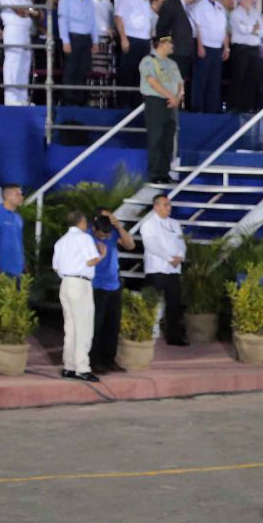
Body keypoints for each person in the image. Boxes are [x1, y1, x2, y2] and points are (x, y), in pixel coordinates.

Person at [51, 209, 102, 381]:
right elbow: (91, 260)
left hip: (65, 283)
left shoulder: (61, 242)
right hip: (80, 283)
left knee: (71, 327)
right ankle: (82, 368)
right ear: (81, 222)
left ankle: (69, 366)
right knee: (84, 326)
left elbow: (56, 267)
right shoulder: (84, 238)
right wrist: (102, 254)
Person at [136, 193, 188, 346]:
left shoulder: (175, 223)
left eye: (169, 205)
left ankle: (174, 336)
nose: (169, 208)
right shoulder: (148, 224)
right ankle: (145, 331)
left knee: (174, 303)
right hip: (157, 269)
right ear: (156, 206)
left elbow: (181, 243)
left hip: (174, 270)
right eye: (165, 205)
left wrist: (180, 257)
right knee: (151, 301)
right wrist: (169, 259)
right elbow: (151, 245)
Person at [88, 211, 132, 375]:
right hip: (96, 286)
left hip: (114, 285)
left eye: (108, 235)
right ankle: (93, 361)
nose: (106, 238)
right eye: (102, 236)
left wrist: (119, 227)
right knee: (95, 326)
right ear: (94, 228)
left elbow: (130, 245)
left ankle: (109, 359)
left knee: (113, 325)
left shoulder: (113, 233)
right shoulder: (87, 238)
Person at [139, 34, 183, 183]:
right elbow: (152, 81)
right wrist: (171, 96)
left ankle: (164, 173)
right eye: (169, 43)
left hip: (171, 104)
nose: (172, 45)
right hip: (156, 102)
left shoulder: (172, 64)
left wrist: (177, 97)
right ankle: (155, 174)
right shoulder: (148, 61)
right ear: (161, 44)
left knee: (167, 139)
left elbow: (180, 83)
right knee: (156, 138)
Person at [186, 0, 228, 113]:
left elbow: (223, 28)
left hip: (217, 47)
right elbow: (197, 26)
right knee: (200, 80)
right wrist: (200, 46)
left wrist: (226, 47)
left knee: (214, 81)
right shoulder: (198, 5)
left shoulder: (219, 7)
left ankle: (212, 109)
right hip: (204, 46)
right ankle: (197, 108)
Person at [0, 0, 33, 106]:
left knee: (24, 64)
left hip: (25, 31)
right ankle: (11, 99)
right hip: (14, 31)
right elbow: (18, 10)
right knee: (13, 63)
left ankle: (22, 98)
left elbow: (31, 10)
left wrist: (27, 10)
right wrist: (26, 10)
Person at [56, 0, 93, 97]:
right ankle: (69, 100)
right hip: (73, 37)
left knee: (83, 70)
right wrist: (65, 41)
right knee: (71, 70)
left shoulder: (89, 0)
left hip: (86, 38)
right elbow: (63, 21)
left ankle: (80, 100)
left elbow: (93, 21)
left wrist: (95, 40)